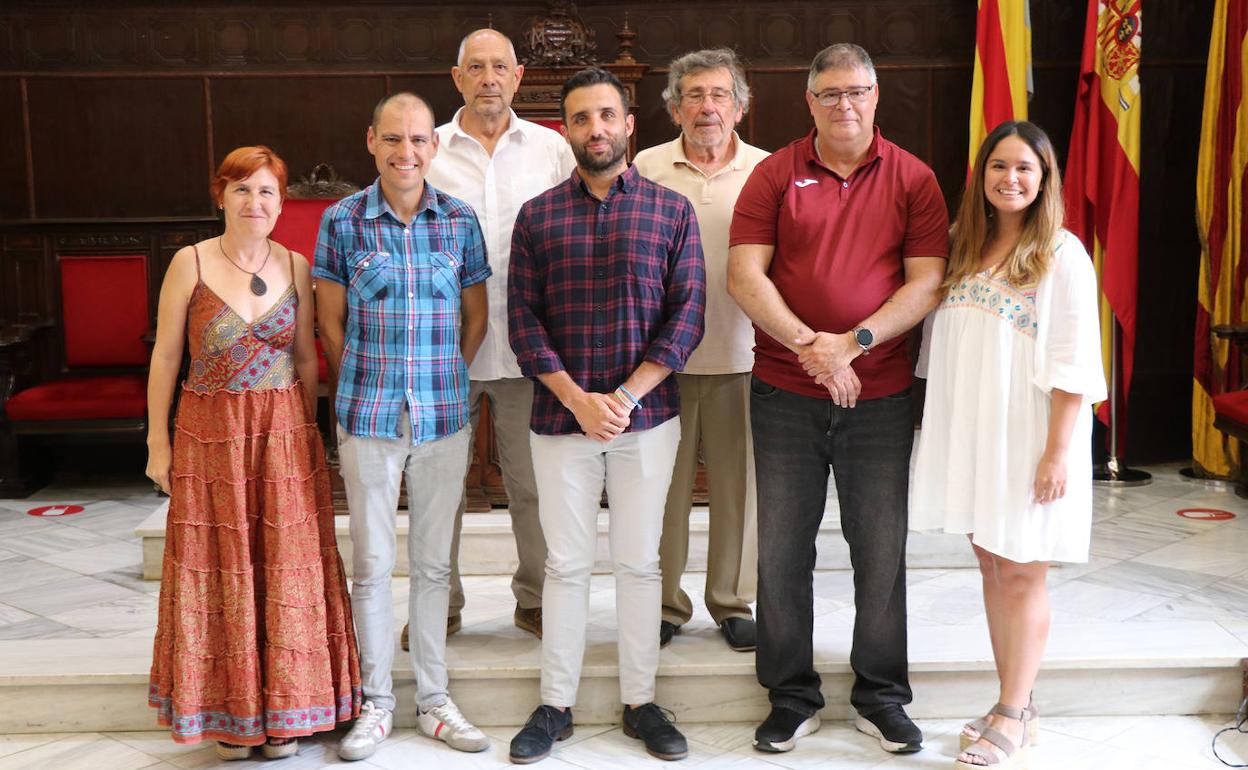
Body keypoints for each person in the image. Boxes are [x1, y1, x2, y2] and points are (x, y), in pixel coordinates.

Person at [727, 43, 948, 755]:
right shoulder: (774, 173)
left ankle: (881, 696)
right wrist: (809, 349)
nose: (844, 105)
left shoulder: (914, 178)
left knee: (879, 550)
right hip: (784, 393)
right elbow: (744, 277)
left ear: (876, 97)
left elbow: (925, 283)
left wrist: (849, 343)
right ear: (809, 100)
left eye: (856, 92)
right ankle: (791, 697)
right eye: (829, 94)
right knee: (782, 552)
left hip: (880, 397)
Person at [506, 67, 706, 764]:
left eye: (606, 116)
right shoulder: (536, 216)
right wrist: (579, 400)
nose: (595, 128)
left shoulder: (670, 211)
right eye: (581, 118)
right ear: (567, 130)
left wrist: (622, 399)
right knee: (564, 566)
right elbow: (523, 323)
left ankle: (640, 701)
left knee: (638, 563)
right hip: (561, 420)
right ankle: (554, 705)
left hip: (645, 420)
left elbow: (687, 319)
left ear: (629, 125)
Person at [146, 145, 362, 762]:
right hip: (210, 434)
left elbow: (304, 358)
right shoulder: (188, 263)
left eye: (266, 191)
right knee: (220, 569)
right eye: (242, 190)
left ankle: (289, 711)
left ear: (282, 202)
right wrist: (157, 442)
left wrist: (311, 433)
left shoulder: (296, 265)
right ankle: (230, 715)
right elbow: (165, 356)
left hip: (282, 432)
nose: (255, 202)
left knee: (285, 568)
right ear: (221, 196)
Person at [910, 120, 1106, 770]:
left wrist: (1056, 453)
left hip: (1028, 436)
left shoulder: (1061, 255)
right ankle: (1011, 699)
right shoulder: (963, 247)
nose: (1010, 178)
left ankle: (1016, 713)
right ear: (982, 175)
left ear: (1044, 179)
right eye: (999, 166)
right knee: (993, 564)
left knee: (1023, 571)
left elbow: (1075, 362)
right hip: (977, 433)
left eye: (1025, 168)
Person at [314, 93, 491, 761]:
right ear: (371, 140)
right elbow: (330, 323)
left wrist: (444, 375)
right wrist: (366, 379)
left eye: (418, 139)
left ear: (434, 146)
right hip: (367, 413)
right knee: (372, 563)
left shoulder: (460, 222)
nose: (405, 151)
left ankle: (436, 700)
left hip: (443, 414)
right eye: (393, 138)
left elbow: (475, 320)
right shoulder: (342, 221)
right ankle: (376, 702)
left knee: (433, 566)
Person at [421, 28, 577, 646]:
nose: (489, 78)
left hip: (530, 346)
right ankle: (442, 604)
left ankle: (535, 599)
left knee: (532, 487)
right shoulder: (424, 146)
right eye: (476, 67)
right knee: (438, 491)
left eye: (500, 67)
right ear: (457, 77)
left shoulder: (552, 149)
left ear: (517, 77)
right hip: (442, 351)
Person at [632, 48, 768, 653]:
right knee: (663, 488)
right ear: (673, 107)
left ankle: (733, 602)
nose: (707, 107)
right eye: (694, 95)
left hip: (745, 355)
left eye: (718, 95)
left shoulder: (768, 171)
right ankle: (664, 602)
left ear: (739, 106)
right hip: (663, 362)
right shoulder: (644, 166)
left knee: (739, 490)